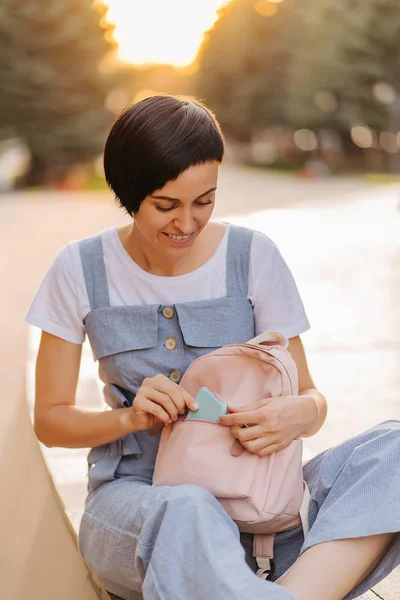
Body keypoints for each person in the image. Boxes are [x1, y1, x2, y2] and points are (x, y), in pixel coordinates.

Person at [26, 95, 400, 600]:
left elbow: (312, 397)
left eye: (204, 201)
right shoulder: (79, 268)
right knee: (187, 508)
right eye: (166, 205)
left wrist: (298, 414)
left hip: (263, 513)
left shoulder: (254, 256)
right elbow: (50, 420)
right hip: (141, 514)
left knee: (394, 448)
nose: (186, 223)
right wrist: (129, 419)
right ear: (128, 192)